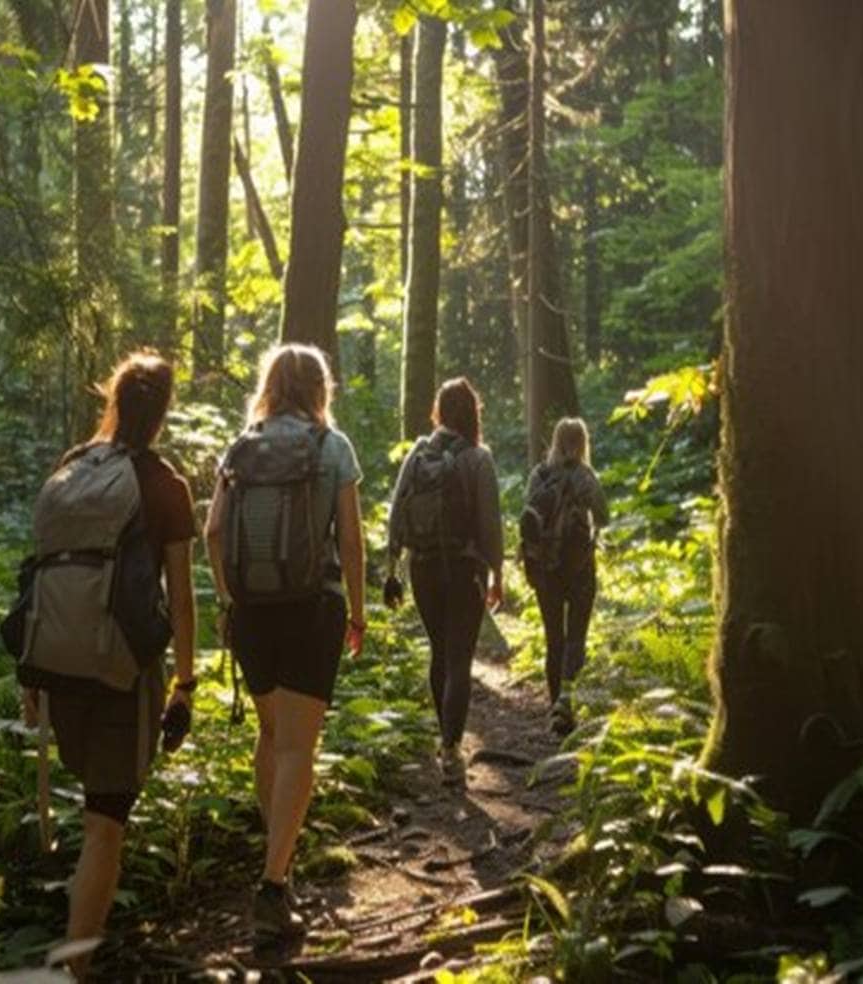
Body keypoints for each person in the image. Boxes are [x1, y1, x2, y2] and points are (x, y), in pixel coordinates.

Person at [21, 351, 197, 976]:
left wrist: (30, 671)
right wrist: (185, 681)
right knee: (105, 825)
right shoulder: (164, 485)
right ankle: (76, 967)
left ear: (116, 402)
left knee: (93, 817)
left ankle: (73, 948)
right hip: (124, 671)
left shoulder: (71, 468)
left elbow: (40, 573)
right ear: (163, 412)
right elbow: (180, 598)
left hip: (58, 662)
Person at [205, 343, 366, 944]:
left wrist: (228, 598)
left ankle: (280, 865)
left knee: (271, 735)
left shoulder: (241, 446)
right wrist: (358, 611)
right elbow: (350, 542)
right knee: (299, 746)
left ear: (269, 385)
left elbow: (214, 530)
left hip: (251, 612)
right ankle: (273, 885)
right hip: (312, 609)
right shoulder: (333, 447)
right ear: (319, 387)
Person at [386, 378, 504, 785]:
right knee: (459, 659)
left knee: (439, 652)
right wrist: (498, 573)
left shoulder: (418, 454)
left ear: (438, 411)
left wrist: (391, 568)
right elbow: (490, 522)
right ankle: (452, 748)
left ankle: (445, 739)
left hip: (422, 567)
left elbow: (396, 512)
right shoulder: (478, 458)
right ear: (473, 413)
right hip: (465, 567)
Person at [521, 417, 608, 735]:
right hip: (580, 567)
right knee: (576, 639)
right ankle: (566, 706)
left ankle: (554, 704)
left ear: (555, 442)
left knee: (553, 638)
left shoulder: (539, 476)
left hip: (545, 569)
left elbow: (528, 517)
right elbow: (605, 516)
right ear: (583, 443)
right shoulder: (586, 476)